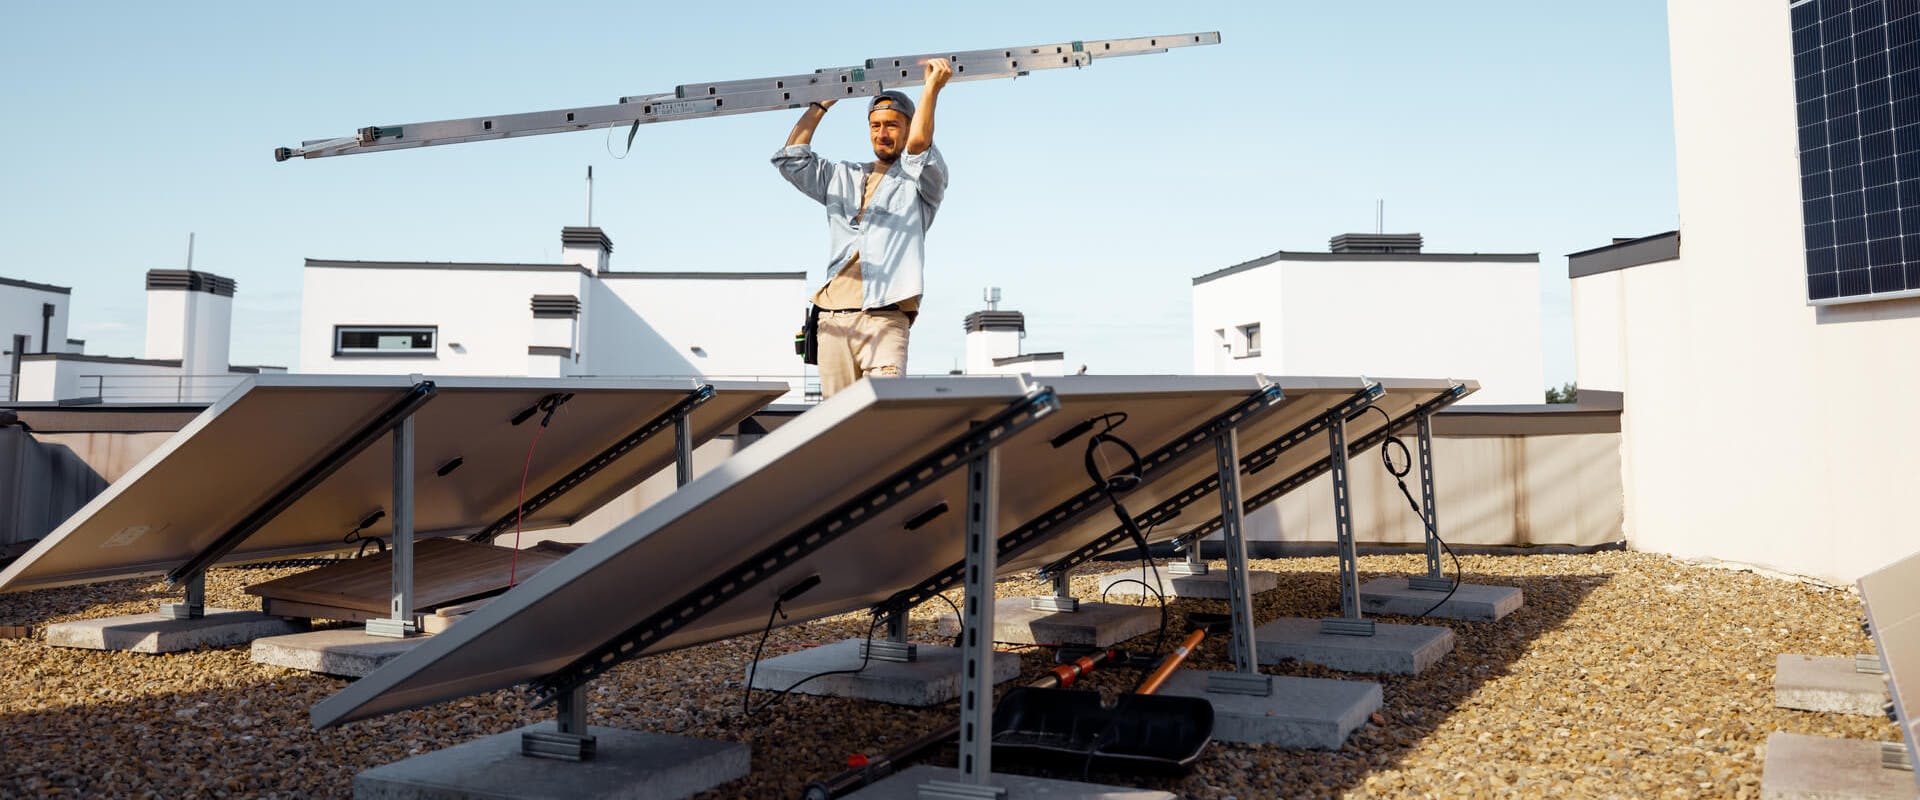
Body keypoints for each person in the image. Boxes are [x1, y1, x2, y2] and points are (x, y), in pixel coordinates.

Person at [773, 58, 952, 397]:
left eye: (892, 125)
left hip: (886, 318)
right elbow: (792, 160)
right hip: (833, 320)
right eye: (875, 126)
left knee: (881, 413)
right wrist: (820, 104)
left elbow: (918, 148)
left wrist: (931, 90)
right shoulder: (844, 175)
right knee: (834, 421)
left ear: (910, 126)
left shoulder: (923, 181)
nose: (882, 134)